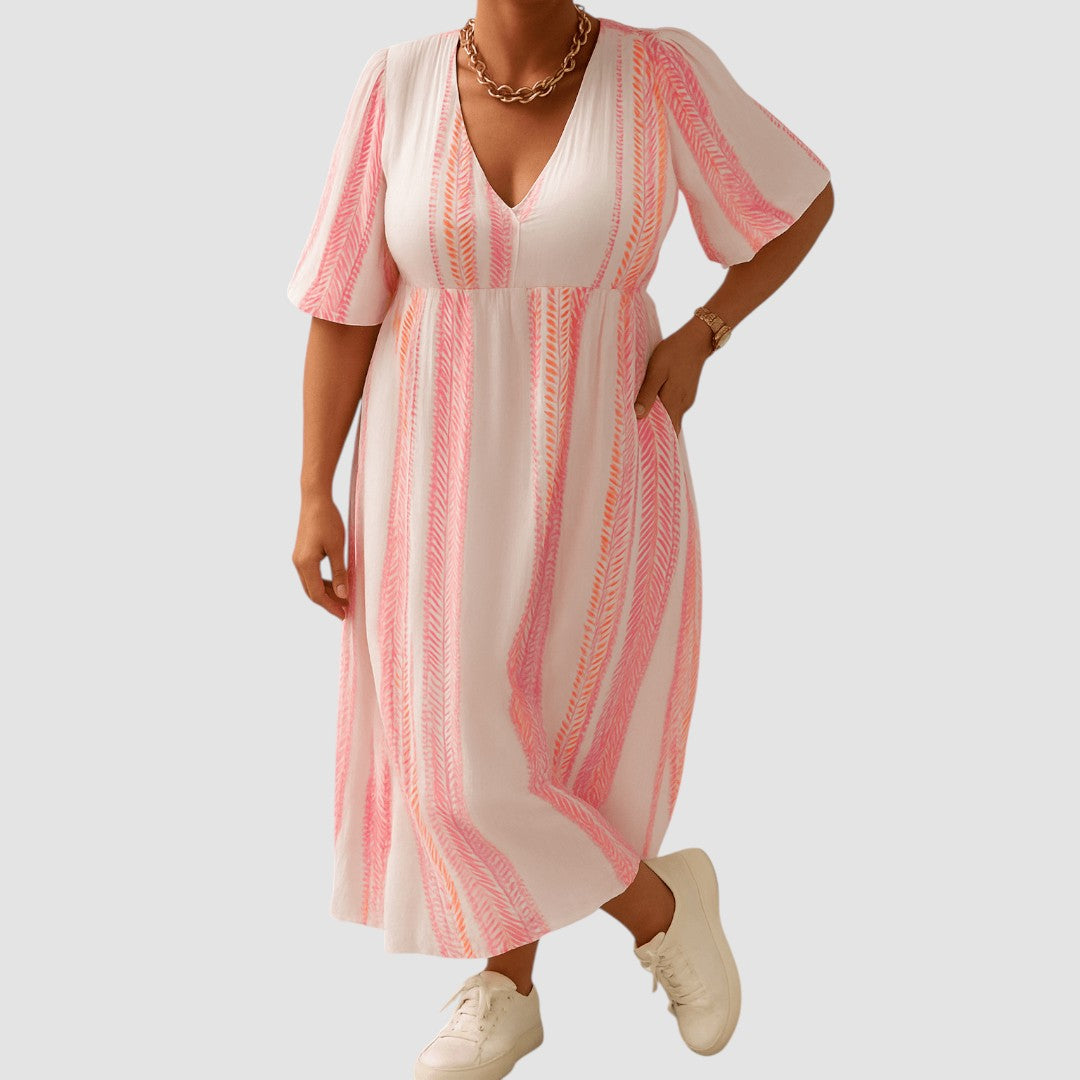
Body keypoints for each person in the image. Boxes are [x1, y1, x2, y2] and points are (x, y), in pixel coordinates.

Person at [287, 3, 832, 1076]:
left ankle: (508, 990)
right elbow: (344, 303)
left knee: (557, 732)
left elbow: (798, 200)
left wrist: (707, 331)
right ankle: (662, 906)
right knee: (452, 756)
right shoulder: (395, 84)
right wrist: (313, 489)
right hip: (424, 469)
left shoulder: (659, 75)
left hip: (602, 460)